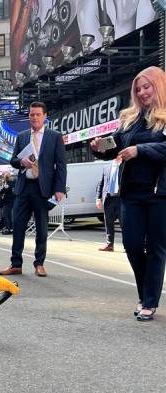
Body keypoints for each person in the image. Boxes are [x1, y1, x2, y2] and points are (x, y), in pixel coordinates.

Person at [90, 66, 166, 321]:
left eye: (147, 86)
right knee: (132, 246)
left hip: (160, 194)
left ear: (158, 86)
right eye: (138, 88)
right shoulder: (129, 118)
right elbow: (116, 146)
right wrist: (99, 148)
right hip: (130, 193)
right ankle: (146, 294)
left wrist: (139, 150)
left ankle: (149, 300)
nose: (142, 92)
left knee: (156, 248)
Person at [0, 102, 67, 277]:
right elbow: (13, 160)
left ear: (44, 116)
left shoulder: (55, 136)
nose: (34, 117)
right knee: (18, 225)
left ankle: (39, 263)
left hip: (43, 188)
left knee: (42, 228)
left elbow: (61, 164)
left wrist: (59, 189)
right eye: (31, 115)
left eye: (37, 114)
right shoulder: (21, 137)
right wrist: (22, 162)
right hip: (23, 187)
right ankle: (15, 264)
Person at [95, 159, 121, 251]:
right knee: (108, 223)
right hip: (109, 199)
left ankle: (127, 246)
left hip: (121, 199)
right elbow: (101, 184)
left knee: (125, 224)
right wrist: (98, 198)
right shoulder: (106, 167)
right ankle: (109, 245)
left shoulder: (125, 166)